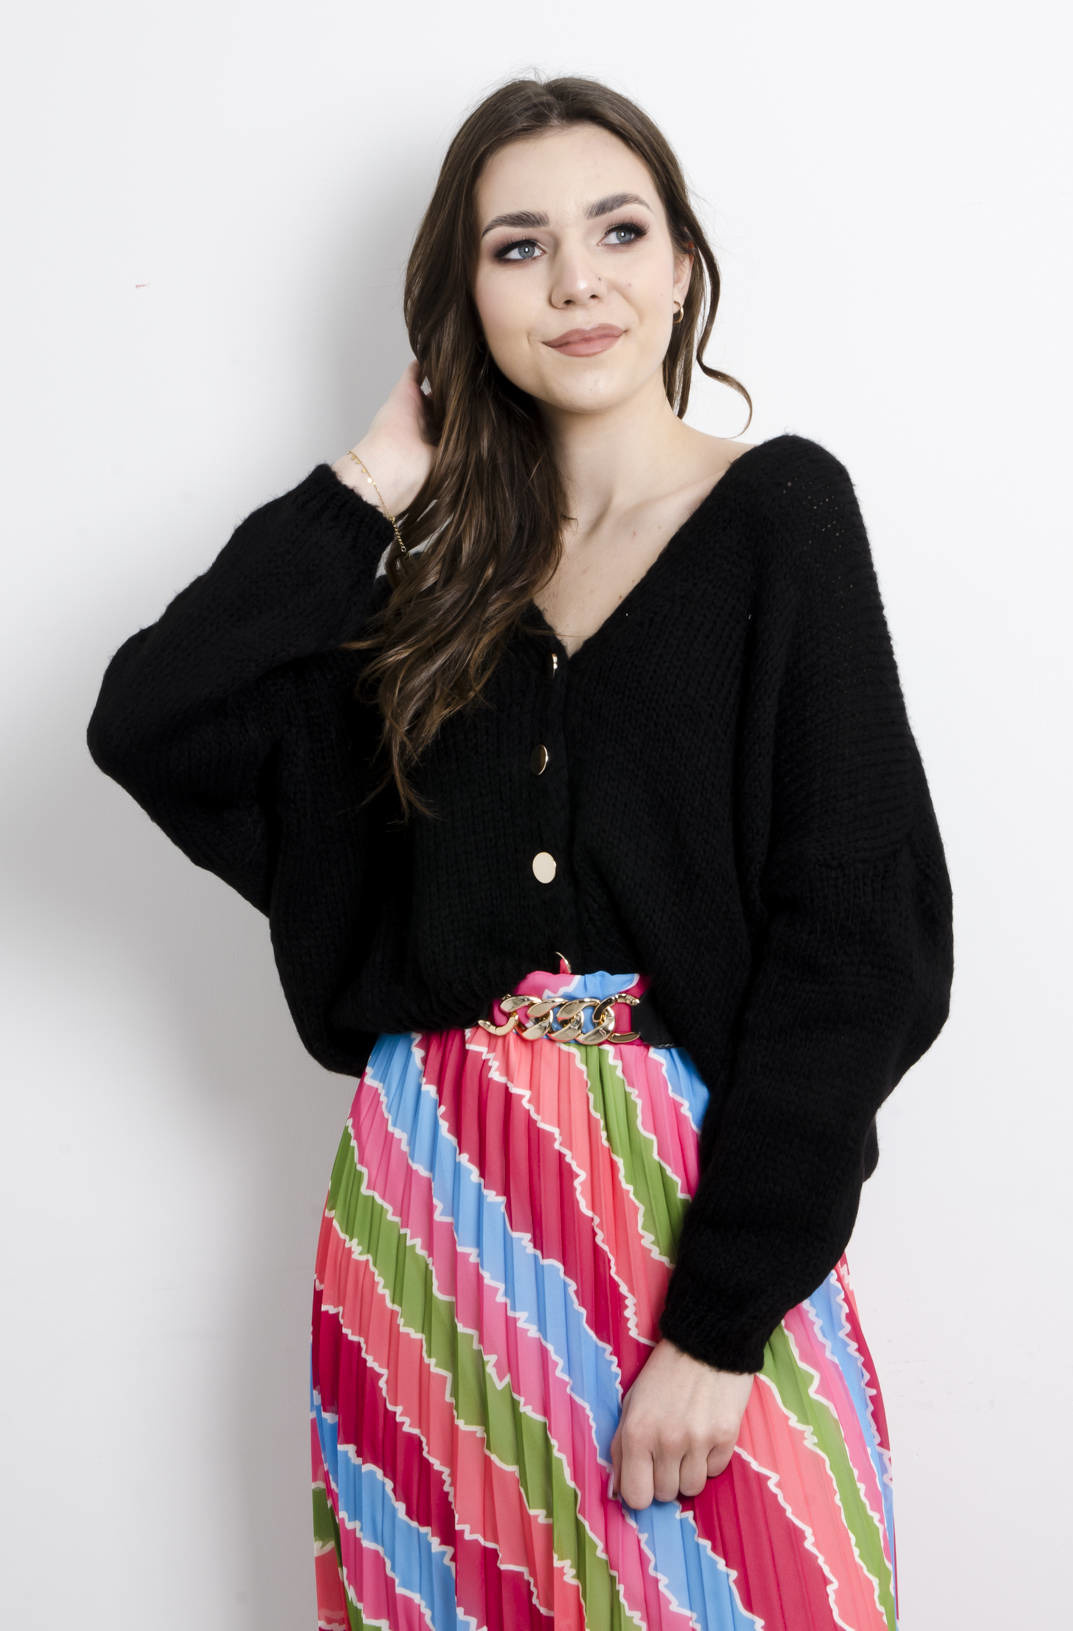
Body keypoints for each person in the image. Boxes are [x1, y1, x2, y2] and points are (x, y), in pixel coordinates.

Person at [86, 73, 953, 1631]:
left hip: (694, 1211)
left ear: (680, 265)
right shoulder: (434, 593)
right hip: (434, 1216)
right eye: (518, 246)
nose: (575, 282)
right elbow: (153, 718)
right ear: (461, 300)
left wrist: (723, 1322)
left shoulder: (782, 517)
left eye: (618, 231)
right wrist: (368, 488)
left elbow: (857, 945)